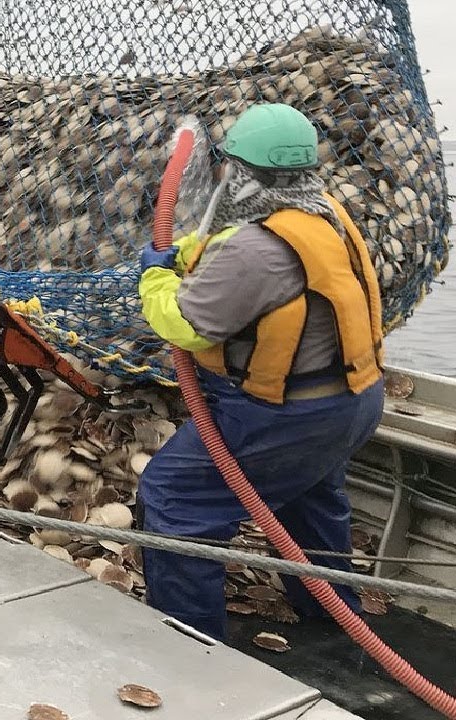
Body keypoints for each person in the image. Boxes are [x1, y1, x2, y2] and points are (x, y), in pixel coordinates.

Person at [136, 103, 386, 641]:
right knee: (310, 495)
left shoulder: (257, 249)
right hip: (353, 401)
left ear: (244, 172)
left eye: (229, 165)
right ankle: (331, 613)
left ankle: (193, 648)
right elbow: (224, 248)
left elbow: (186, 326)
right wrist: (180, 253)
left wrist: (154, 279)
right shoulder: (323, 214)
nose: (223, 174)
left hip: (283, 416)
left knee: (176, 499)